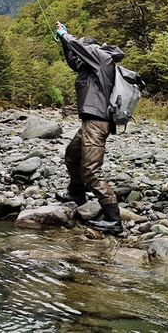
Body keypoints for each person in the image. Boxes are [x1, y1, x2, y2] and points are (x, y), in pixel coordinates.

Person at [55, 22, 125, 235]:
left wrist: (66, 35)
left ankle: (114, 220)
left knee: (91, 170)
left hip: (97, 123)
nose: (82, 56)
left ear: (92, 50)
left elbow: (80, 49)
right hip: (89, 122)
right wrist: (65, 42)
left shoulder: (102, 59)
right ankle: (77, 194)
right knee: (72, 156)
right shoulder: (90, 68)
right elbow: (74, 60)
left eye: (85, 51)